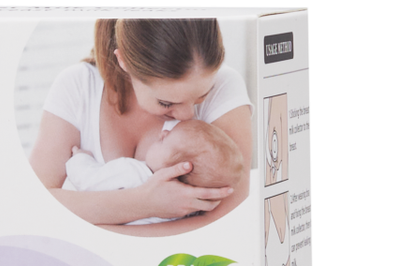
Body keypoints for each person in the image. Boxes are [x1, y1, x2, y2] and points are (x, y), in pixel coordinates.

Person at [29, 18, 252, 234]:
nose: (188, 115)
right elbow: (35, 203)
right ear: (124, 61)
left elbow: (229, 221)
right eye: (166, 103)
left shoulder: (224, 86)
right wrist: (144, 204)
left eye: (201, 96)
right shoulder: (78, 86)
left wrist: (101, 233)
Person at [65, 118, 245, 224]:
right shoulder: (191, 209)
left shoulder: (132, 172)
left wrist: (81, 157)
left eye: (165, 140)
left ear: (177, 170)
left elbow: (86, 180)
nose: (163, 133)